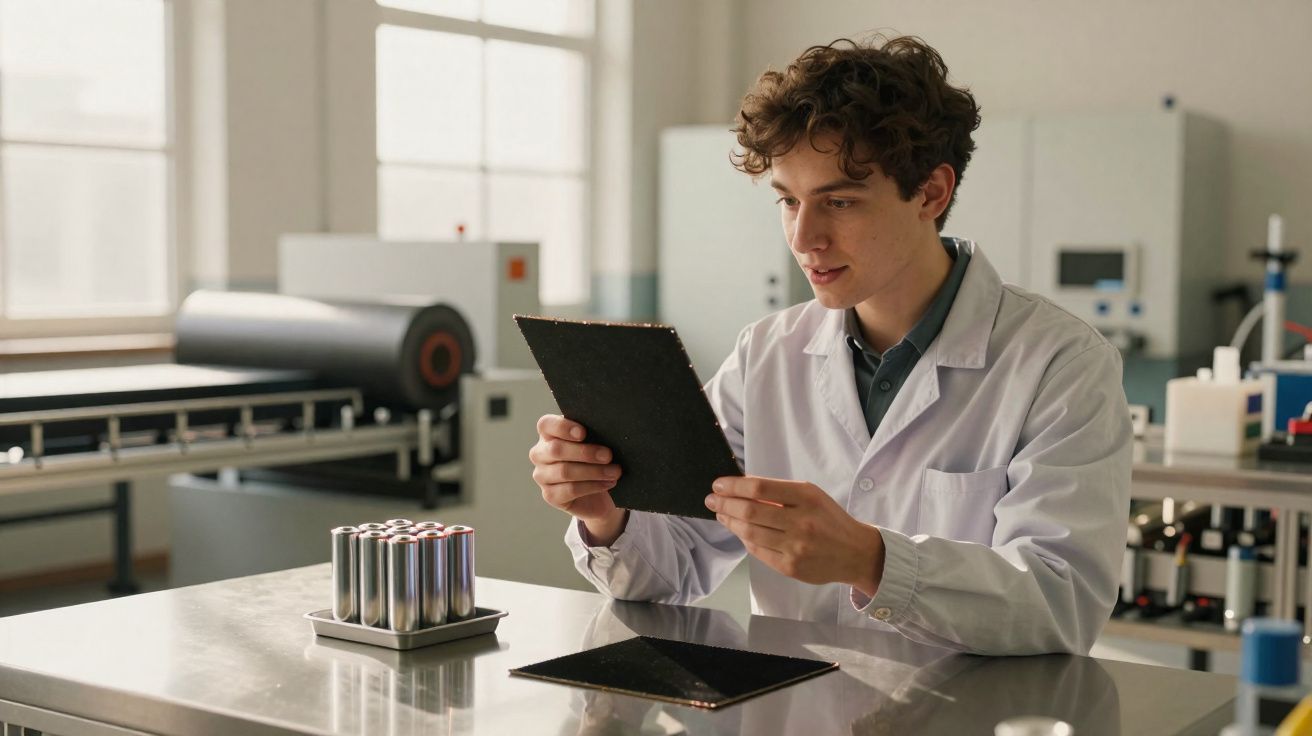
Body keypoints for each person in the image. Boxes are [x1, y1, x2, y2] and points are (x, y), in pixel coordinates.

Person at [528, 35, 1131, 655]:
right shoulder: (766, 353)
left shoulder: (1060, 363)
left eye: (839, 201)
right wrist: (608, 514)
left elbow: (1061, 603)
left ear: (931, 193)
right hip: (793, 711)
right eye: (788, 200)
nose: (804, 237)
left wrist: (871, 560)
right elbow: (670, 573)